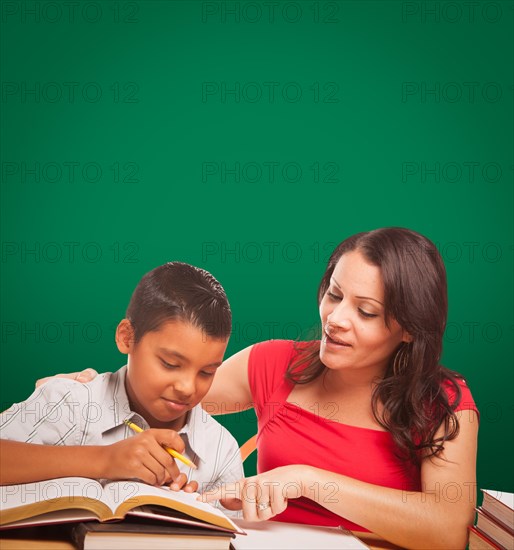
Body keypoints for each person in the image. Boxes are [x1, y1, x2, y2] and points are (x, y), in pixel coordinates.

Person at [31, 228, 479, 549]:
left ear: (408, 328)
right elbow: (170, 391)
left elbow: (446, 529)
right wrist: (86, 391)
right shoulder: (274, 363)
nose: (336, 319)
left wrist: (307, 481)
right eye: (335, 294)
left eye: (366, 311)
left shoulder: (444, 401)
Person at [0, 262, 243, 495]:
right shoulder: (69, 402)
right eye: (170, 364)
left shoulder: (221, 451)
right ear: (127, 338)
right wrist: (104, 460)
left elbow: (234, 535)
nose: (187, 388)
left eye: (207, 372)